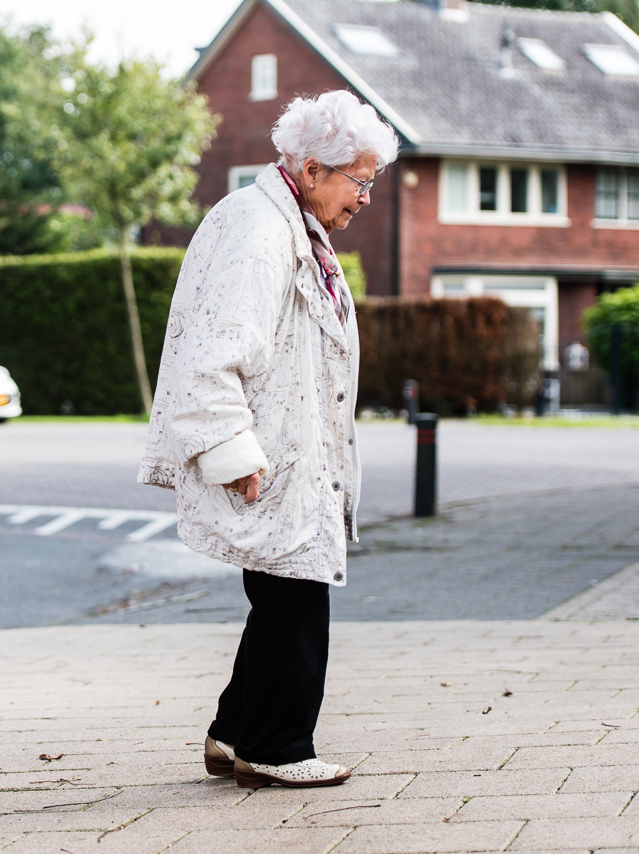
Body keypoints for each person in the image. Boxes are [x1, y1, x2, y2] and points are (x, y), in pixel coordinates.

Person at [138, 90, 398, 789]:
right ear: (312, 169)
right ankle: (277, 747)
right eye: (361, 180)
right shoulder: (261, 230)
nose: (367, 197)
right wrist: (231, 452)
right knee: (297, 592)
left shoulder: (283, 221)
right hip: (272, 451)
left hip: (288, 443)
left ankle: (232, 734)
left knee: (282, 591)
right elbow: (215, 352)